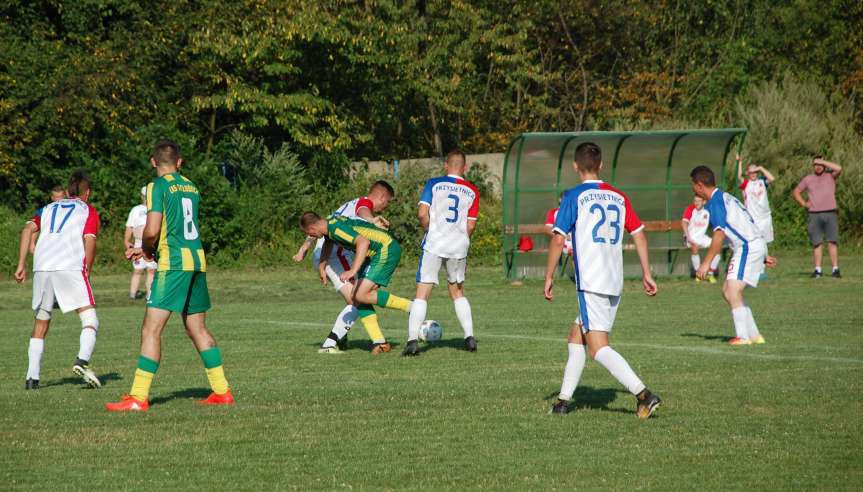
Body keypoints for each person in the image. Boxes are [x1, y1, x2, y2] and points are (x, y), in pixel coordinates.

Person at [106, 140, 233, 412]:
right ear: (180, 162)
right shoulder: (192, 186)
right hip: (196, 261)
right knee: (196, 328)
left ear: (153, 162)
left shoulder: (156, 186)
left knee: (151, 329)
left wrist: (148, 250)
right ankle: (222, 391)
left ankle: (138, 397)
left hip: (173, 263)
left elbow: (152, 230)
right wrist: (148, 250)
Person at [545, 142, 661, 419]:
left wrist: (549, 275)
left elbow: (559, 238)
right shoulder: (619, 196)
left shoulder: (574, 196)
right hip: (613, 280)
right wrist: (647, 272)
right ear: (601, 165)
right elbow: (640, 234)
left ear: (575, 166)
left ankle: (644, 394)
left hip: (591, 281)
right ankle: (563, 402)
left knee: (598, 347)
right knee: (576, 337)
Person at [15, 171, 102, 390]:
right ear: (87, 193)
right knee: (90, 318)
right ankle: (82, 361)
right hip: (70, 266)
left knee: (42, 322)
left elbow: (27, 230)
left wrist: (21, 265)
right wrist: (88, 270)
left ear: (67, 191)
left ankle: (32, 378)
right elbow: (89, 241)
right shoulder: (88, 210)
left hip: (42, 267)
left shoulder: (47, 208)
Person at [292, 181, 396, 353]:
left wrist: (304, 248)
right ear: (382, 197)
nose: (386, 207)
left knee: (358, 297)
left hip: (328, 254)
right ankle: (331, 343)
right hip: (336, 254)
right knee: (358, 297)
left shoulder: (348, 205)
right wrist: (372, 220)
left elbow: (319, 227)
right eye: (388, 202)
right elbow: (363, 212)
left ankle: (354, 339)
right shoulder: (364, 203)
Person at [300, 212, 412, 354]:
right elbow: (329, 242)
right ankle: (380, 342)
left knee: (360, 295)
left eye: (309, 234)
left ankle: (411, 307)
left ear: (312, 229)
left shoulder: (335, 229)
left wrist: (353, 270)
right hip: (373, 254)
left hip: (385, 249)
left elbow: (363, 242)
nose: (312, 237)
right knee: (357, 296)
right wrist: (322, 266)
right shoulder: (329, 226)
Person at [403, 149, 480, 356]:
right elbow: (471, 226)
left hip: (434, 244)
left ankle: (411, 341)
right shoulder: (472, 190)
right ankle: (469, 337)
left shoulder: (434, 184)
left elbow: (421, 213)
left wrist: (429, 229)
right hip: (458, 246)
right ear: (465, 167)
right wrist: (461, 241)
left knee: (423, 292)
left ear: (446, 165)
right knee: (457, 292)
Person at [690, 165, 776, 346]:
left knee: (732, 291)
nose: (694, 190)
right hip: (751, 245)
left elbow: (719, 235)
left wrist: (706, 264)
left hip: (747, 247)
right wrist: (762, 252)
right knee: (728, 291)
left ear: (699, 185)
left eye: (693, 186)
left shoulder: (715, 203)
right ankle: (754, 336)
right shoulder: (726, 196)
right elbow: (747, 220)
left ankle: (743, 337)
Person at [792, 156, 842, 278]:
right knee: (817, 242)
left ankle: (835, 269)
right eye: (816, 164)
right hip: (814, 214)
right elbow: (796, 191)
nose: (818, 166)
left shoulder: (830, 175)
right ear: (813, 166)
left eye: (820, 164)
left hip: (830, 212)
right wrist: (804, 203)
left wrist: (823, 161)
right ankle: (818, 270)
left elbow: (839, 168)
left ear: (824, 165)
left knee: (832, 241)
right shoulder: (808, 179)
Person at [124, 186, 157, 299]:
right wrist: (127, 240)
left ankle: (150, 294)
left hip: (152, 244)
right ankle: (133, 294)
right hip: (138, 243)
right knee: (138, 270)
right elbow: (129, 227)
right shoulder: (136, 210)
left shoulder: (156, 209)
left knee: (151, 270)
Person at [736, 154, 775, 246]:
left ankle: (764, 259)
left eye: (755, 172)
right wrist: (740, 162)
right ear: (748, 173)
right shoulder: (746, 183)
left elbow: (772, 179)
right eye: (751, 172)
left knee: (765, 242)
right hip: (753, 217)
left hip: (765, 216)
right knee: (755, 241)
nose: (753, 174)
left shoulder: (762, 181)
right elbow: (739, 177)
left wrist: (761, 168)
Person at [681, 195, 719, 282]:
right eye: (695, 201)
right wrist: (688, 237)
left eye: (699, 201)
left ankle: (710, 274)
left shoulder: (708, 210)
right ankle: (699, 275)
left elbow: (716, 224)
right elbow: (684, 223)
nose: (696, 203)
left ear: (704, 202)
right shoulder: (690, 209)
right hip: (690, 236)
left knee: (717, 247)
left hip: (702, 237)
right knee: (695, 246)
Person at [28, 186, 66, 255]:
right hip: (47, 247)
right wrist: (32, 243)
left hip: (65, 247)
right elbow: (36, 225)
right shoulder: (45, 210)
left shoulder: (71, 210)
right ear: (52, 198)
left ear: (65, 196)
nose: (59, 200)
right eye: (56, 198)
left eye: (61, 197)